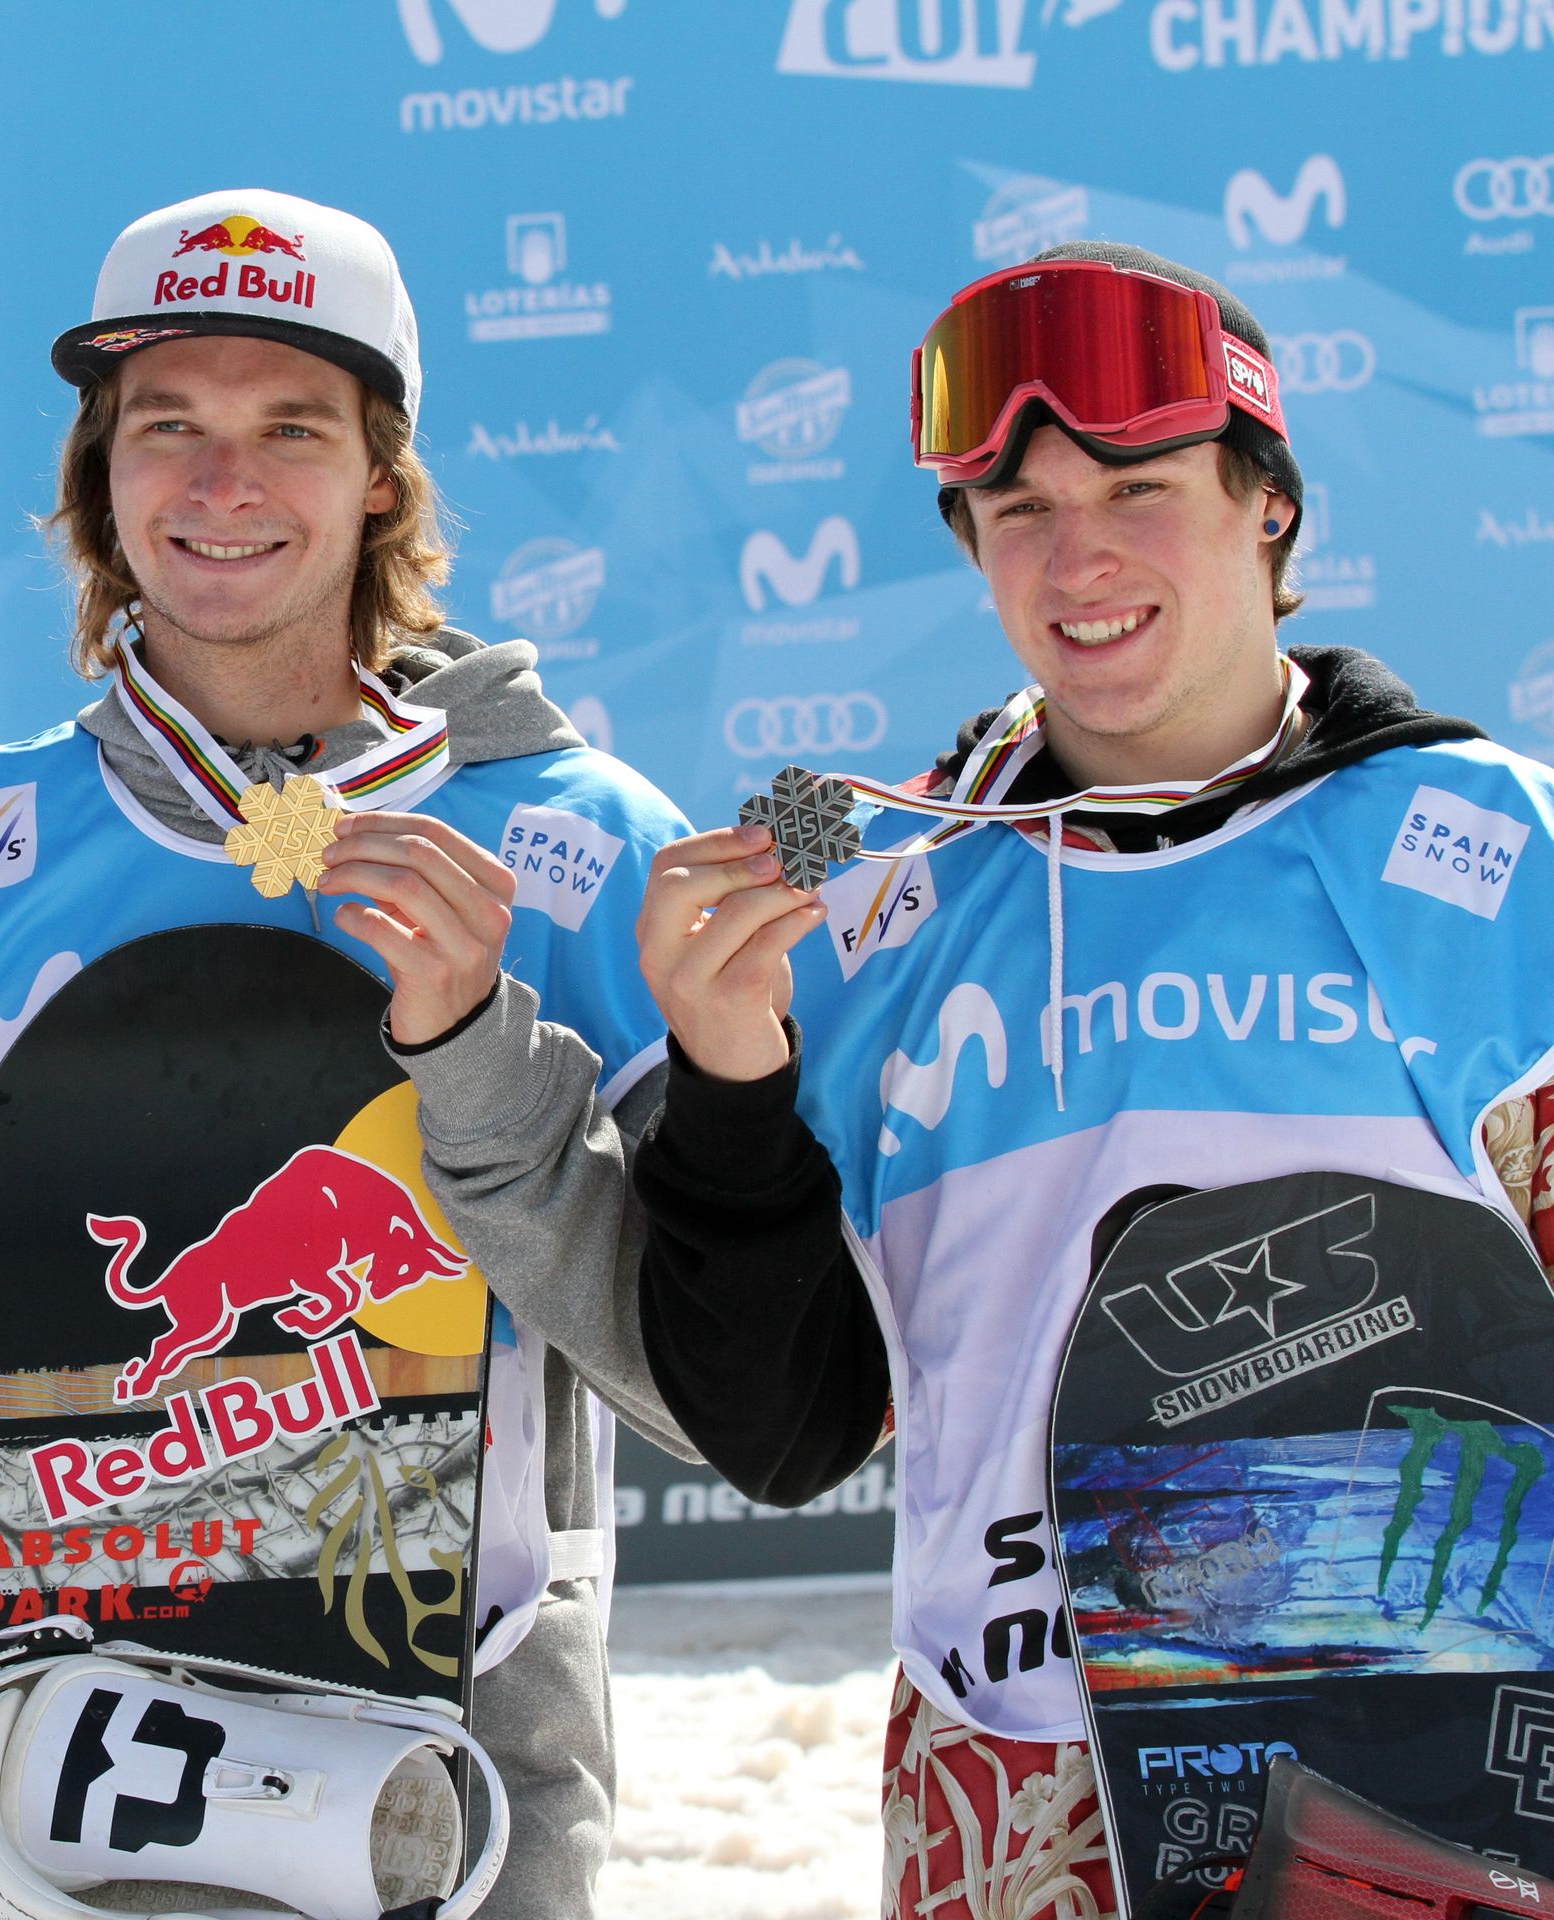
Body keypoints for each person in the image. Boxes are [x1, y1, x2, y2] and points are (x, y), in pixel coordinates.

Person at [0, 188, 697, 1915]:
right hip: (1, 1754)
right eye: (168, 429)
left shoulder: (574, 842)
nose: (222, 484)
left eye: (291, 427)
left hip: (446, 1760)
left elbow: (710, 1370)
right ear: (99, 478)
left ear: (381, 478)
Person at [628, 242, 1554, 1915]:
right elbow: (782, 1428)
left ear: (1271, 506)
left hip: (1426, 1778)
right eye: (1019, 509)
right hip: (1021, 1793)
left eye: (1138, 482)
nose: (1081, 554)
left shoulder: (1485, 849)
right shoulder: (870, 890)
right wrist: (728, 1086)